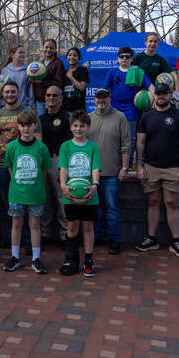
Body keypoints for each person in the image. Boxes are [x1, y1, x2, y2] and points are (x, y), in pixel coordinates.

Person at [134, 83, 179, 257]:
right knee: (153, 202)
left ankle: (176, 241)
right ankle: (151, 239)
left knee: (171, 203)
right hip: (151, 166)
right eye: (158, 94)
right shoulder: (146, 117)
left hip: (173, 166)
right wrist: (140, 166)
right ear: (155, 96)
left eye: (164, 94)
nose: (161, 96)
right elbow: (140, 144)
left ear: (170, 95)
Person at [0, 82, 42, 244]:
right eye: (7, 92)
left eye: (13, 92)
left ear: (18, 92)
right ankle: (14, 237)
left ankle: (26, 238)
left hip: (24, 167)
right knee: (9, 203)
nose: (10, 94)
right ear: (2, 94)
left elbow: (38, 141)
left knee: (26, 201)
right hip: (2, 165)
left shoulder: (29, 112)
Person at [2, 110, 51, 274]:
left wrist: (34, 184)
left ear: (35, 126)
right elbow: (10, 167)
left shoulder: (42, 147)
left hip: (36, 194)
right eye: (22, 125)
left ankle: (36, 258)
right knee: (16, 224)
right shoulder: (13, 146)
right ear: (18, 127)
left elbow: (44, 170)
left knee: (35, 224)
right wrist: (19, 182)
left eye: (29, 125)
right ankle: (14, 257)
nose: (26, 129)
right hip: (17, 193)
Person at [87, 88, 131, 256]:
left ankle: (114, 239)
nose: (101, 101)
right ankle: (98, 236)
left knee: (112, 208)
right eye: (98, 98)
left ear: (109, 99)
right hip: (92, 174)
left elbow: (126, 144)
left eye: (104, 98)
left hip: (112, 173)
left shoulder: (120, 117)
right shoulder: (88, 118)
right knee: (97, 208)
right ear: (94, 100)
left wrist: (125, 168)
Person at [58, 110, 101, 277]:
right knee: (72, 225)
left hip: (90, 194)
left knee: (88, 226)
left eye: (82, 126)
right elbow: (63, 167)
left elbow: (95, 167)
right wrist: (63, 185)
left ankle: (88, 260)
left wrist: (95, 185)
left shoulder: (93, 147)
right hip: (71, 194)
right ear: (71, 127)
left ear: (88, 127)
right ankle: (71, 259)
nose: (78, 128)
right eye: (75, 125)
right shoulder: (66, 146)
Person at [104, 46, 153, 158]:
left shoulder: (137, 71)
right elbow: (107, 91)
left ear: (132, 59)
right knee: (115, 136)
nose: (124, 58)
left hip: (132, 110)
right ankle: (116, 160)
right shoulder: (113, 72)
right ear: (118, 58)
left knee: (130, 137)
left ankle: (129, 162)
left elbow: (150, 85)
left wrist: (154, 97)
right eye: (122, 56)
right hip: (115, 109)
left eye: (127, 57)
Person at [39, 85, 72, 244]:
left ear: (61, 98)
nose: (51, 98)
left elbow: (69, 146)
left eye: (55, 95)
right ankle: (44, 233)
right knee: (44, 199)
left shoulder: (67, 118)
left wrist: (62, 168)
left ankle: (65, 234)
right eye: (48, 95)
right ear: (45, 97)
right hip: (43, 162)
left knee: (61, 198)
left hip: (59, 160)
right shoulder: (40, 119)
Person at [31, 39, 66, 116]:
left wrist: (43, 83)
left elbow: (59, 83)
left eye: (51, 48)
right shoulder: (40, 63)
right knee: (41, 123)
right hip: (39, 100)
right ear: (42, 48)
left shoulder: (58, 63)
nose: (48, 50)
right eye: (46, 47)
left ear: (55, 49)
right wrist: (32, 79)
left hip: (51, 99)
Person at [63, 47, 89, 113]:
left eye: (75, 55)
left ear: (79, 58)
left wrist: (70, 77)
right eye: (70, 55)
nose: (72, 57)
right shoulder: (63, 72)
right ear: (66, 58)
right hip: (65, 109)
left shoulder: (83, 70)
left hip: (79, 109)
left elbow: (82, 87)